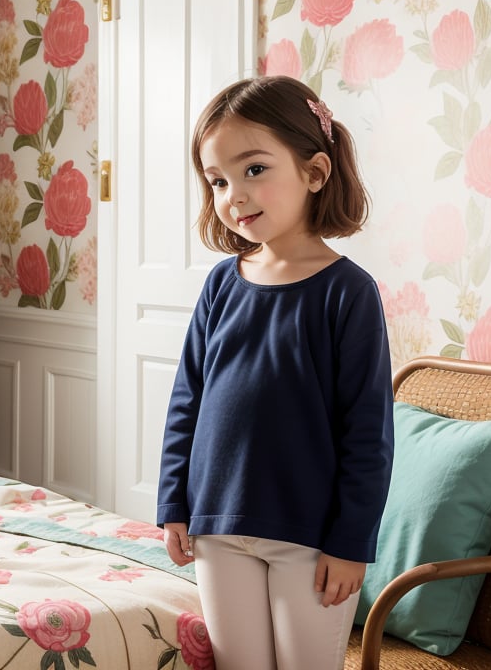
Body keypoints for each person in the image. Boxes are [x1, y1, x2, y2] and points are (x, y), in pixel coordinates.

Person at [157, 75, 394, 670]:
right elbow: (187, 399)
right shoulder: (221, 284)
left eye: (254, 169)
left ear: (315, 172)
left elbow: (368, 433)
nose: (234, 194)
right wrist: (174, 504)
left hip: (309, 539)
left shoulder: (349, 293)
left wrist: (351, 543)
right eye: (217, 180)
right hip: (217, 527)